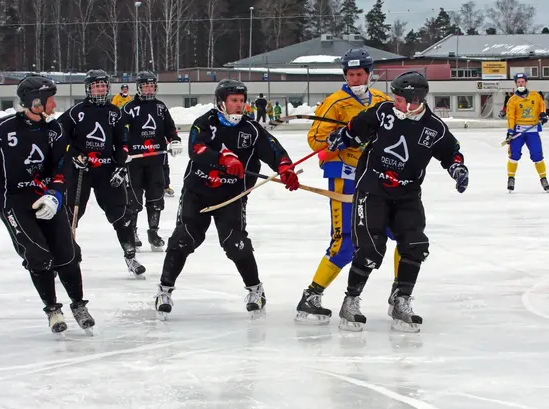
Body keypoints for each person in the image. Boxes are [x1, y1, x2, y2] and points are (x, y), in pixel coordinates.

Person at [326, 71, 469, 333]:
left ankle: (401, 299)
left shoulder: (433, 128)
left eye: (401, 99)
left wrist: (458, 169)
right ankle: (351, 301)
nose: (396, 103)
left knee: (416, 243)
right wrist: (340, 139)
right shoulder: (383, 112)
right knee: (370, 248)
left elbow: (451, 153)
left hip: (407, 194)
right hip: (372, 188)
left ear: (416, 101)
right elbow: (356, 128)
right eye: (395, 98)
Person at [153, 79, 300, 320]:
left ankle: (255, 290)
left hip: (232, 196)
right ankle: (164, 290)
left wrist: (285, 168)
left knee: (235, 242)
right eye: (234, 101)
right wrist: (223, 160)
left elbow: (274, 150)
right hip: (198, 193)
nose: (239, 106)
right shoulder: (205, 123)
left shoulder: (251, 128)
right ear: (221, 102)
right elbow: (196, 149)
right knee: (184, 238)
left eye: (242, 101)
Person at [0, 75, 95, 334]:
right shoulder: (2, 129)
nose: (55, 104)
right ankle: (53, 309)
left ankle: (78, 304)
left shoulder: (54, 130)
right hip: (14, 202)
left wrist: (55, 193)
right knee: (39, 255)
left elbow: (62, 165)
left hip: (47, 199)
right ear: (35, 103)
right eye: (50, 99)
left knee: (66, 253)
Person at [296, 48, 394, 325]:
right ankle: (312, 295)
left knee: (393, 232)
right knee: (345, 241)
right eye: (350, 74)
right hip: (345, 175)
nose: (355, 78)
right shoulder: (335, 102)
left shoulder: (382, 100)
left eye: (360, 74)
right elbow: (315, 138)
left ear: (369, 73)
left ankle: (399, 294)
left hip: (375, 176)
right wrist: (336, 140)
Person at [58, 69, 146, 277]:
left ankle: (130, 256)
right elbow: (59, 137)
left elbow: (123, 143)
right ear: (88, 88)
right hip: (82, 172)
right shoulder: (75, 112)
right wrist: (75, 154)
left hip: (106, 171)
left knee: (121, 215)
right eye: (96, 85)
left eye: (103, 85)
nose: (100, 89)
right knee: (71, 215)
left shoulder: (115, 112)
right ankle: (63, 257)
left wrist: (121, 165)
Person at [122, 71, 182, 251]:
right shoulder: (129, 108)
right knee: (134, 199)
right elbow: (119, 131)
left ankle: (153, 231)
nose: (149, 89)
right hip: (135, 161)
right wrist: (123, 149)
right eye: (145, 85)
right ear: (139, 88)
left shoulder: (160, 107)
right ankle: (132, 231)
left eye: (152, 85)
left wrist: (175, 140)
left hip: (157, 159)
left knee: (156, 197)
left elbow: (170, 129)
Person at [505, 73, 549, 193]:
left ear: (526, 82)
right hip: (518, 131)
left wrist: (543, 114)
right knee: (514, 155)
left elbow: (542, 106)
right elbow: (511, 117)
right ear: (516, 83)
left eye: (522, 81)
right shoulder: (512, 100)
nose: (521, 84)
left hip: (532, 131)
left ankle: (543, 178)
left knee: (537, 155)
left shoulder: (535, 96)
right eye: (518, 82)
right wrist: (510, 131)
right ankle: (511, 178)